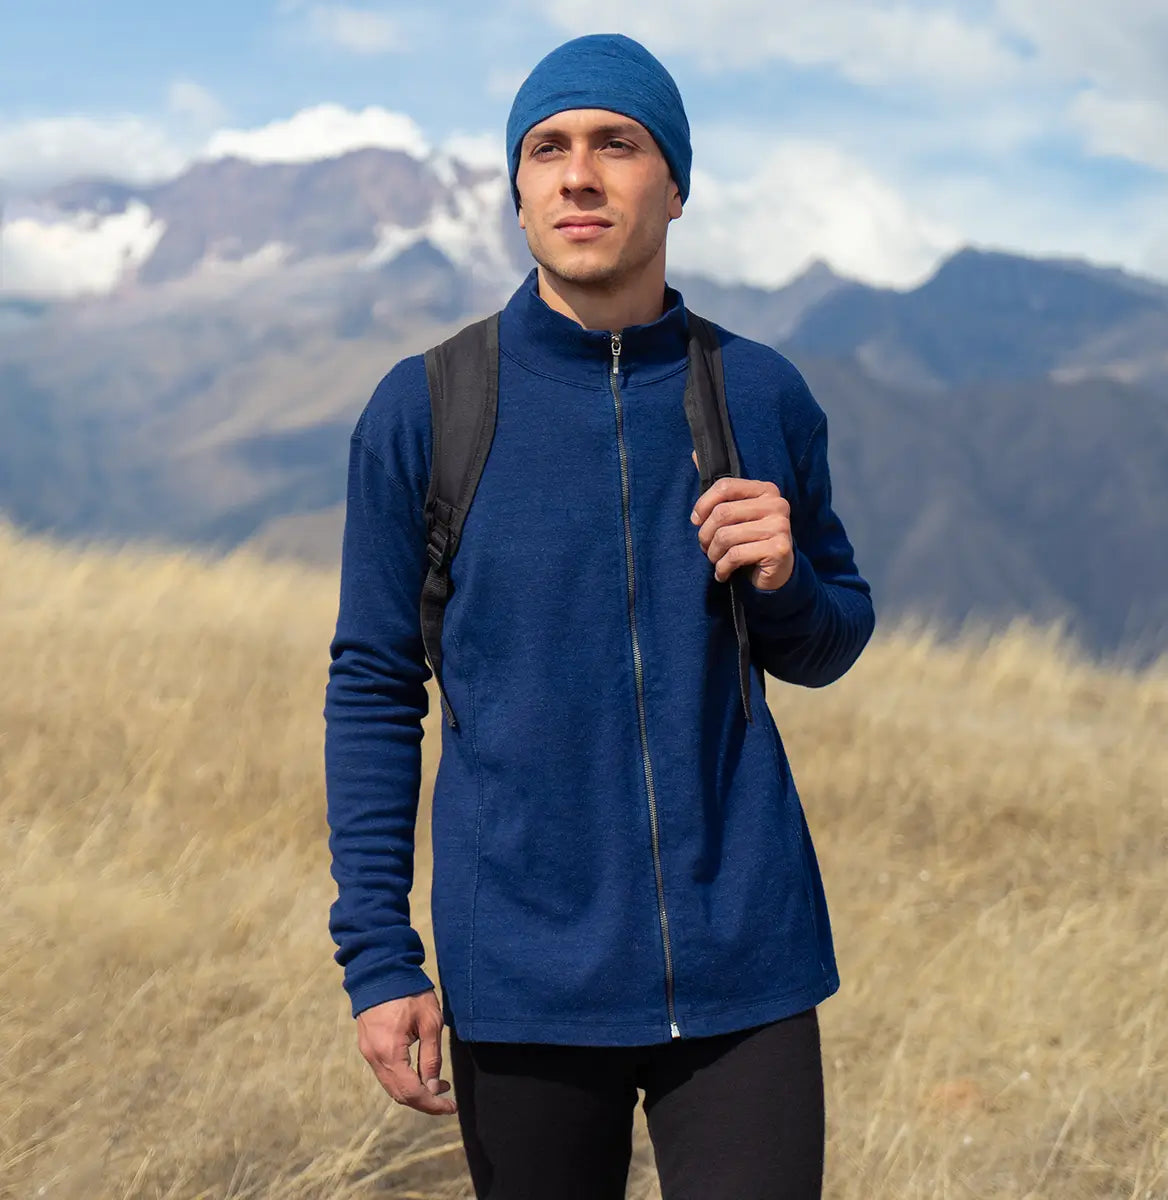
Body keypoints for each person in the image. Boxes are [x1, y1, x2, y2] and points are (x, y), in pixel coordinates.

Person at [323, 32, 874, 1200]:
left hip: (746, 970)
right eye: (548, 149)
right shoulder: (428, 409)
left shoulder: (760, 391)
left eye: (616, 145)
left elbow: (832, 640)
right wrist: (379, 961)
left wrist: (786, 583)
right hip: (519, 980)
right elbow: (374, 686)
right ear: (516, 191)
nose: (580, 174)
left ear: (672, 182)